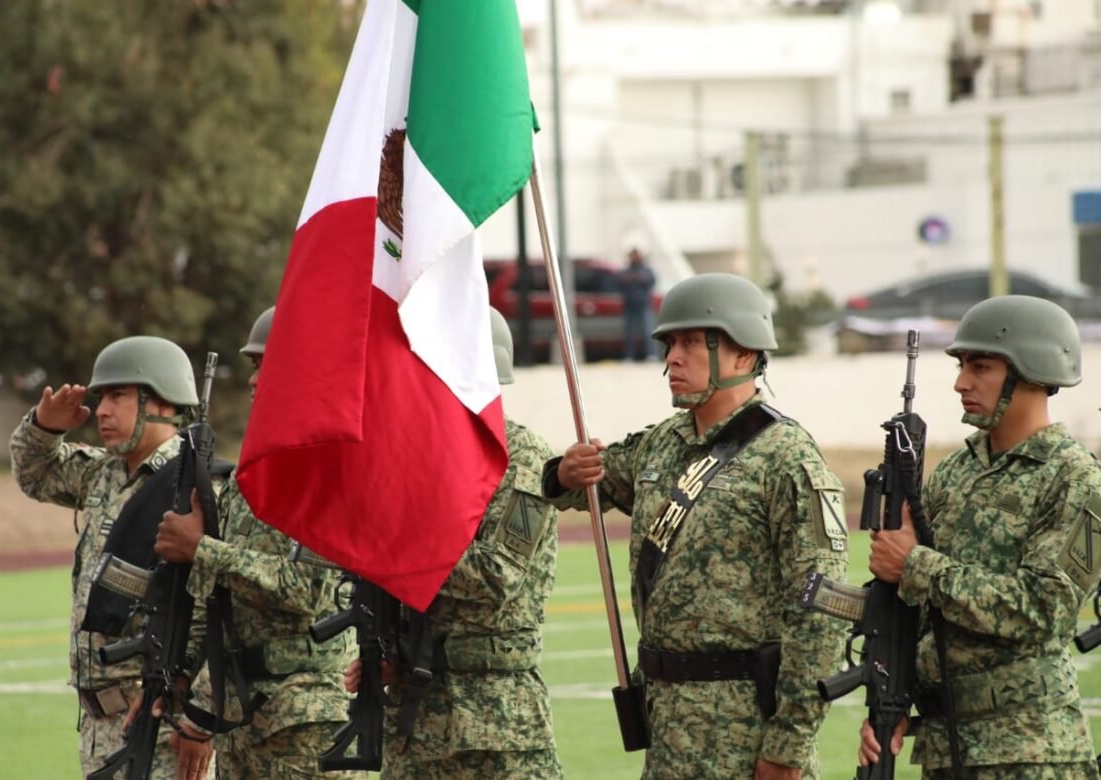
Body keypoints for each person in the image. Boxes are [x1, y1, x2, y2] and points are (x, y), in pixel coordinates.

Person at [543, 272, 849, 779]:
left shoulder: (787, 458)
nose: (673, 359)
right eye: (669, 344)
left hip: (743, 730)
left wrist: (788, 744)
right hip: (666, 727)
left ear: (743, 354)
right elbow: (586, 486)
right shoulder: (660, 444)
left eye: (690, 342)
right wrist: (564, 472)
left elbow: (821, 611)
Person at [858, 295, 1101, 779]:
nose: (960, 382)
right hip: (946, 747)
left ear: (1032, 372)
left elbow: (1045, 608)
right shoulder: (956, 472)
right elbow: (920, 616)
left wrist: (916, 565)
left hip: (1032, 751)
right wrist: (894, 701)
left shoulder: (1076, 479)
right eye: (962, 365)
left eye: (980, 367)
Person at [344, 306, 563, 779]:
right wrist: (387, 651)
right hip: (415, 718)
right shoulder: (414, 459)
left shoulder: (524, 457)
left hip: (496, 721)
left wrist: (391, 548)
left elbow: (495, 574)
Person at [152, 306, 364, 780]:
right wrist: (181, 672)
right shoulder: (253, 472)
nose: (252, 380)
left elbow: (307, 591)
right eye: (253, 366)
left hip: (306, 722)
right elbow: (218, 598)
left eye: (264, 366)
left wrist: (202, 549)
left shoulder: (330, 467)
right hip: (243, 717)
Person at [10, 335, 209, 779]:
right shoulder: (103, 473)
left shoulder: (198, 486)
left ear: (162, 400)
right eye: (101, 398)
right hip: (98, 727)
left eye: (118, 396)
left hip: (162, 717)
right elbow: (34, 475)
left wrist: (198, 714)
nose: (101, 411)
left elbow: (224, 613)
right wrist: (44, 427)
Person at [619, 247, 657, 362]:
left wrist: (640, 278)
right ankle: (629, 356)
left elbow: (652, 281)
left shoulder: (646, 270)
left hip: (643, 304)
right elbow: (619, 282)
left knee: (648, 331)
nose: (634, 258)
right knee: (629, 333)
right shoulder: (626, 270)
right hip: (630, 305)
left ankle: (651, 355)